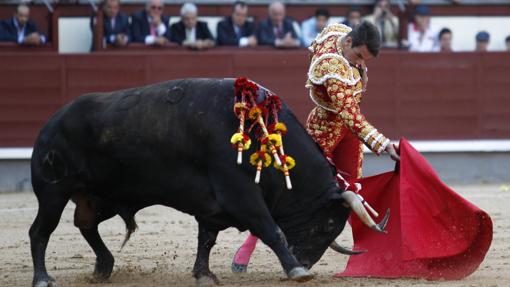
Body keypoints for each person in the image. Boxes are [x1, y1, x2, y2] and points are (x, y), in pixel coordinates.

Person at [231, 21, 400, 273]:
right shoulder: (331, 67)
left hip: (348, 133)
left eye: (366, 61)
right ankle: (251, 241)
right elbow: (351, 117)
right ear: (349, 43)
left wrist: (359, 65)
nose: (361, 64)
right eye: (359, 57)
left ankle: (376, 254)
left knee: (355, 193)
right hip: (325, 128)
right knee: (289, 189)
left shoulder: (338, 31)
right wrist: (384, 144)